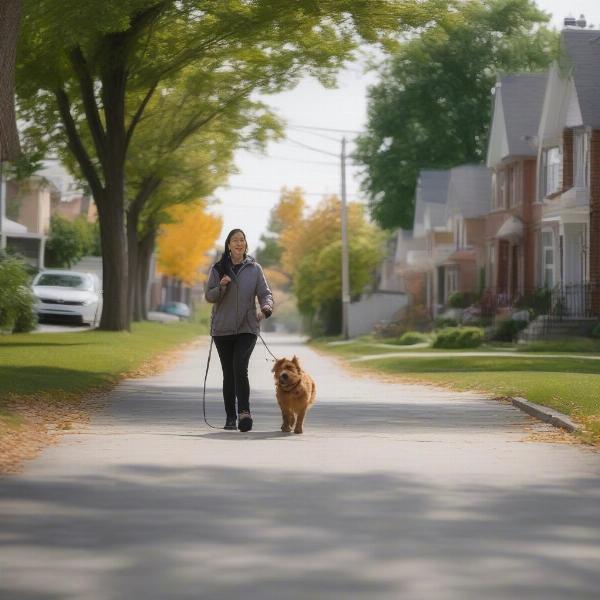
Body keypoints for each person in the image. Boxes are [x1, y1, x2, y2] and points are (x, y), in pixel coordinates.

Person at [205, 229, 274, 432]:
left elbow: (265, 292)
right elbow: (209, 296)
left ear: (245, 244)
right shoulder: (218, 268)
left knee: (239, 367)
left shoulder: (254, 268)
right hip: (222, 328)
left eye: (242, 240)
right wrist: (221, 286)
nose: (239, 243)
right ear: (228, 245)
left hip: (247, 326)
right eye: (235, 240)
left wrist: (266, 307)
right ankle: (230, 417)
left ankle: (245, 412)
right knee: (229, 372)